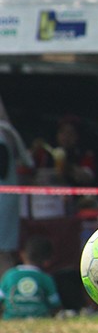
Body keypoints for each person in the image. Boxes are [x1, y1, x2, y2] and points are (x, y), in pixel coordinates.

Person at [0, 114, 31, 276]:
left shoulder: (3, 134)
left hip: (3, 201)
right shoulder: (7, 132)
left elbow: (3, 169)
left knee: (3, 253)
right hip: (7, 198)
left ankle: (6, 287)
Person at [0, 237, 60, 319]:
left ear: (22, 254)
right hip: (39, 319)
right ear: (47, 262)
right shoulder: (46, 279)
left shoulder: (9, 275)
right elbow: (55, 305)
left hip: (10, 319)